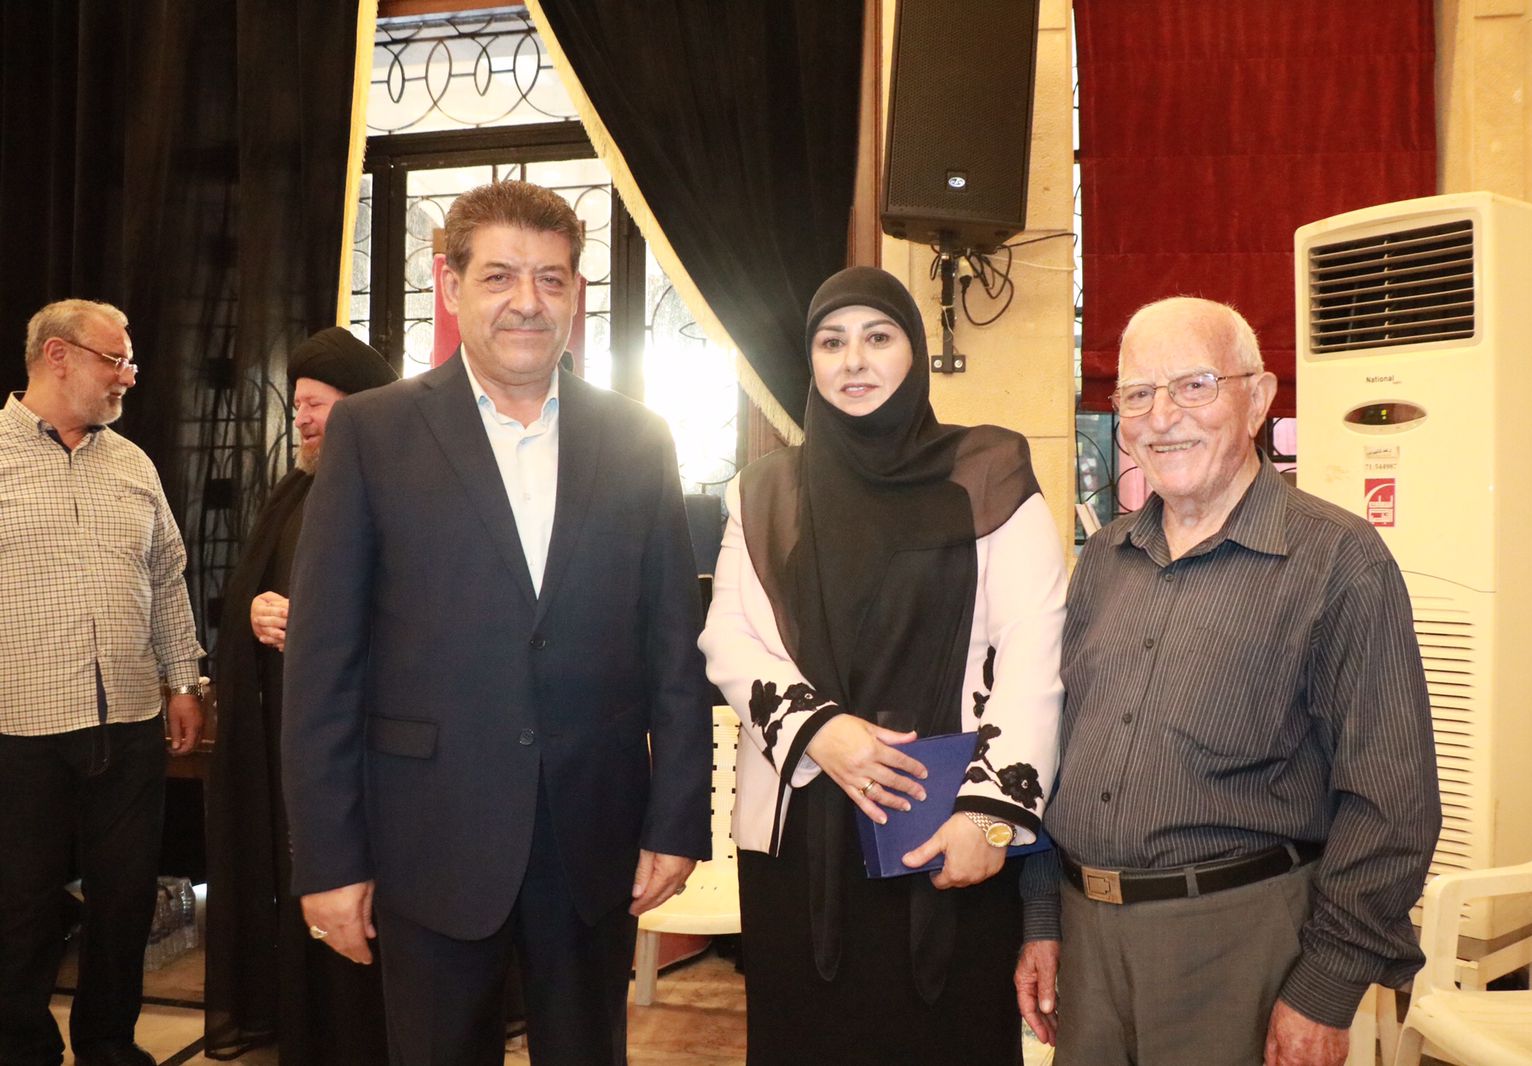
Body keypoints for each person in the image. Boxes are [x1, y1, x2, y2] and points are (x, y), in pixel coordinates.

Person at [281, 180, 711, 1065]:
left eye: (551, 279)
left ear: (576, 293)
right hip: (427, 837)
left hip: (592, 838)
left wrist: (676, 820)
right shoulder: (372, 433)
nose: (528, 301)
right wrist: (328, 858)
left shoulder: (640, 440)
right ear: (451, 287)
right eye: (500, 276)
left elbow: (674, 648)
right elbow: (324, 666)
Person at [1013, 297, 1440, 1066]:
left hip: (1240, 949)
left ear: (1260, 399)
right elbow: (1054, 754)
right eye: (1138, 394)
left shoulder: (1339, 562)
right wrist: (1044, 917)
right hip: (1087, 947)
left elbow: (1391, 803)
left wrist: (1326, 988)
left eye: (1195, 385)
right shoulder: (1103, 561)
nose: (1162, 417)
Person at [700, 266, 1069, 1065]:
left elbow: (1035, 651)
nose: (854, 361)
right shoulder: (765, 491)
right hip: (803, 835)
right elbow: (728, 640)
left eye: (878, 337)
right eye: (831, 343)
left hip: (950, 832)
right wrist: (821, 732)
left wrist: (989, 817)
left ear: (916, 352)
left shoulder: (988, 471)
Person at [0, 299, 204, 1066]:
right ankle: (22, 1046)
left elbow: (169, 577)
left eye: (130, 362)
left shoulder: (133, 463)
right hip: (20, 727)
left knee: (124, 899)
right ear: (57, 356)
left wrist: (183, 681)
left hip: (129, 720)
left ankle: (111, 1045)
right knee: (21, 905)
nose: (128, 377)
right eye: (114, 361)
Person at [204, 327, 396, 1063]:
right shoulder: (294, 492)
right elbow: (251, 595)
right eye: (298, 407)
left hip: (379, 745)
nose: (303, 420)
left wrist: (324, 624)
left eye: (316, 404)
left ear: (362, 405)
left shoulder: (409, 488)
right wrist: (255, 611)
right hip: (300, 739)